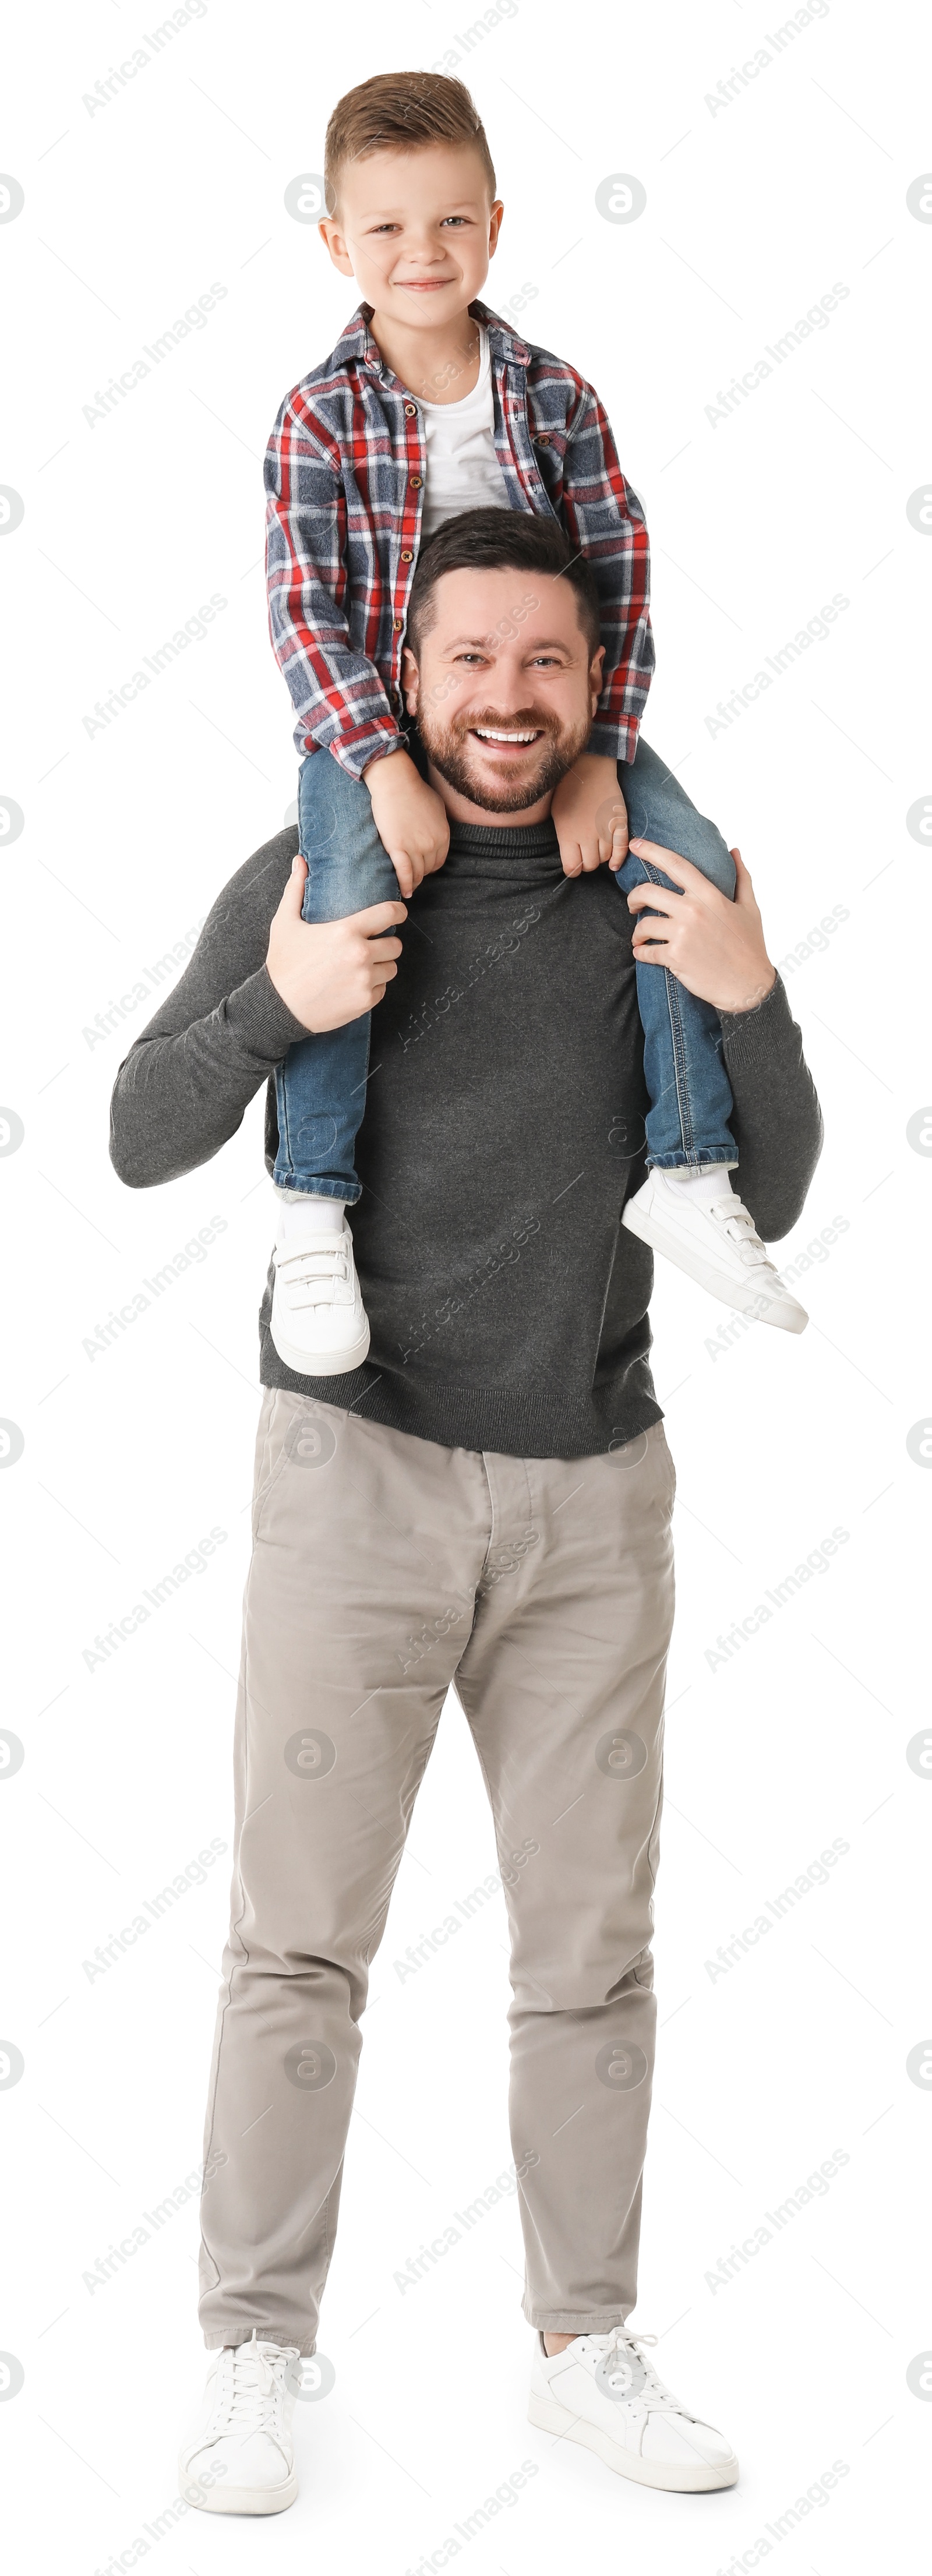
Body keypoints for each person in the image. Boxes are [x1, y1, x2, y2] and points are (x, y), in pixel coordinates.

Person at [110, 516, 822, 2515]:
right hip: (357, 1470)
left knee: (592, 1952)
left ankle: (583, 2346)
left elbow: (772, 1186)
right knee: (296, 1943)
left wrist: (753, 994)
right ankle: (254, 2351)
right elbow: (138, 1128)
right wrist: (278, 999)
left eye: (547, 664)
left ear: (601, 685)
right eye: (472, 661)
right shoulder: (319, 865)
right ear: (403, 679)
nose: (508, 699)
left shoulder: (661, 871)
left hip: (599, 1489)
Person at [262, 68, 807, 1379]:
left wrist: (603, 758)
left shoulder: (553, 396)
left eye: (449, 222)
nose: (420, 253)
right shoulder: (317, 415)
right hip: (378, 728)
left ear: (494, 228)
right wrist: (383, 763)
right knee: (344, 896)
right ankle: (313, 1203)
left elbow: (617, 574)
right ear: (337, 244)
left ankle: (683, 1167)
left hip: (548, 716)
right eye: (385, 227)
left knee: (682, 858)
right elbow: (302, 613)